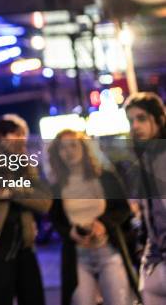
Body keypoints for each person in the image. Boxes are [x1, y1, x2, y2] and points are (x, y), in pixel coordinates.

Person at [48, 129, 138, 305]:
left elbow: (123, 209)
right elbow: (57, 221)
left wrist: (103, 224)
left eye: (74, 145)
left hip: (108, 250)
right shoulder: (57, 186)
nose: (69, 151)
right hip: (78, 256)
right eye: (63, 148)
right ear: (57, 153)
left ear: (84, 146)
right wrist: (70, 232)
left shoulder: (105, 176)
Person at [0, 114, 51, 305]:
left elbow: (45, 202)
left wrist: (8, 192)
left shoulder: (25, 164)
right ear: (1, 136)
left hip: (25, 244)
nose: (22, 139)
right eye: (17, 134)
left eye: (23, 135)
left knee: (33, 298)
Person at [124, 92, 166, 305]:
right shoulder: (144, 160)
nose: (135, 126)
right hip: (155, 261)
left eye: (141, 118)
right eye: (131, 121)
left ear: (159, 119)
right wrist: (150, 261)